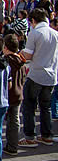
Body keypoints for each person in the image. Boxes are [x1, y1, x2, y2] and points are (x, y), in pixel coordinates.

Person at [17, 8, 58, 148]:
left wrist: (20, 52)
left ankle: (30, 137)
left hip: (36, 74)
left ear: (33, 21)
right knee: (45, 107)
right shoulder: (55, 33)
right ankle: (47, 135)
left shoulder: (35, 33)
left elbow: (27, 55)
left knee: (29, 106)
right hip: (51, 75)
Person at [1, 33, 26, 156]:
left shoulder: (6, 61)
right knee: (14, 121)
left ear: (5, 47)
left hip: (7, 95)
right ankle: (13, 145)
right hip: (18, 94)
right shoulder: (21, 60)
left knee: (0, 122)